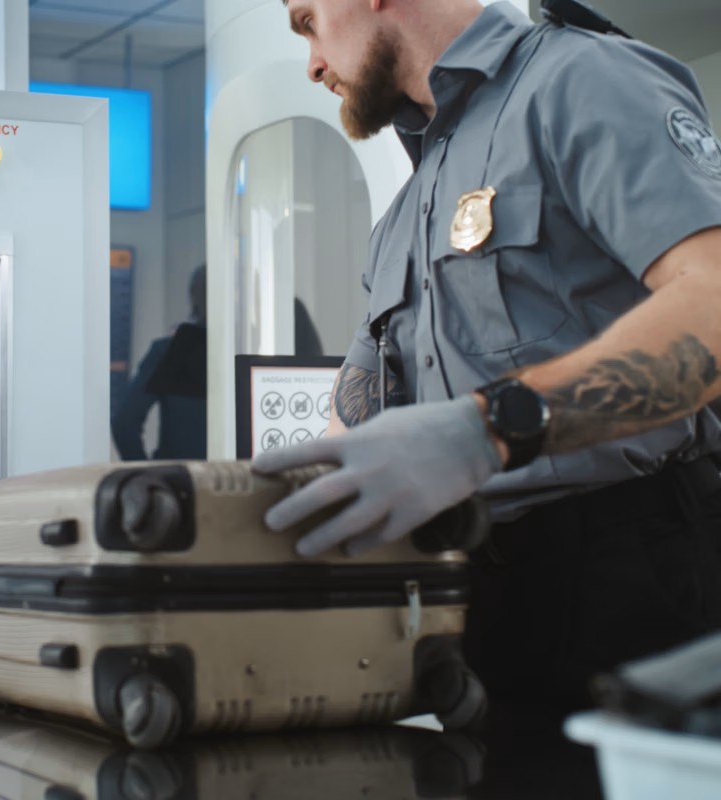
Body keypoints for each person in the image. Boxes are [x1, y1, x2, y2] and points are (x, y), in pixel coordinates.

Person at [255, 0, 721, 711]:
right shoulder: (404, 214)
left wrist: (489, 428)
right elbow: (351, 419)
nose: (313, 65)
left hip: (631, 562)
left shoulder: (580, 81)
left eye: (308, 21)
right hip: (476, 585)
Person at [112, 266, 208, 460]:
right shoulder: (248, 353)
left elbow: (125, 424)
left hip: (181, 475)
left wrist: (150, 474)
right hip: (240, 475)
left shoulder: (174, 350)